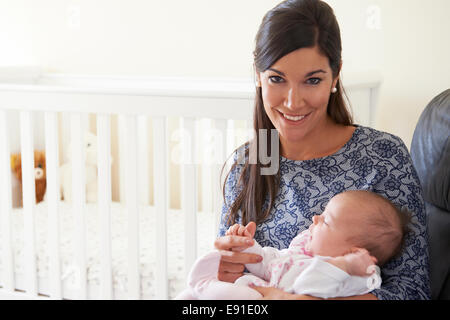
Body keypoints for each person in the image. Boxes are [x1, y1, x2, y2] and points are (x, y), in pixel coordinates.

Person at [176, 0, 430, 300]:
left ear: (335, 76)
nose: (293, 102)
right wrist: (226, 269)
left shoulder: (382, 157)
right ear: (258, 76)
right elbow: (233, 282)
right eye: (277, 79)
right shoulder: (252, 162)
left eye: (312, 80)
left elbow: (411, 290)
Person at [186, 190, 409, 299]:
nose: (315, 218)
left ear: (353, 253)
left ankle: (204, 287)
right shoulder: (302, 250)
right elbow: (268, 261)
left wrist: (343, 266)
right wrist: (247, 246)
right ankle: (201, 288)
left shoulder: (356, 275)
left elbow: (309, 290)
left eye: (326, 220)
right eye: (322, 213)